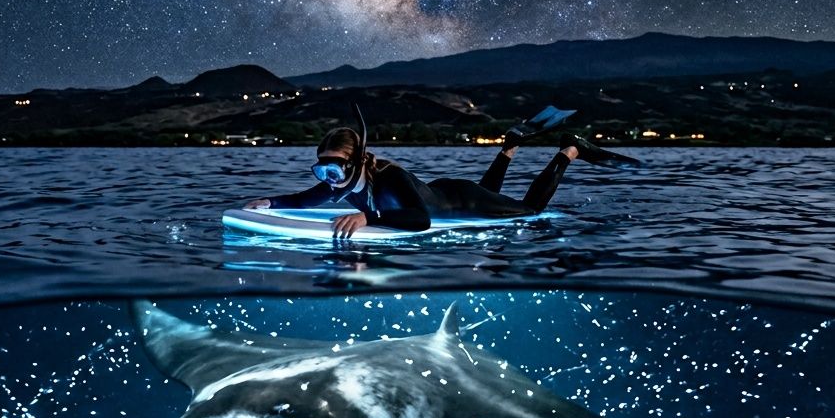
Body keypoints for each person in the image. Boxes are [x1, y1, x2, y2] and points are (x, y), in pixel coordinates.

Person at [244, 127, 622, 238]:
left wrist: (366, 219)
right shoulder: (337, 183)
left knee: (532, 211)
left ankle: (569, 150)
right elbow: (306, 199)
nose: (330, 180)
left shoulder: (388, 179)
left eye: (336, 169)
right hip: (442, 190)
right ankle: (508, 148)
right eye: (322, 171)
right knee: (490, 190)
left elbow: (418, 220)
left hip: (461, 202)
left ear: (357, 162)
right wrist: (270, 203)